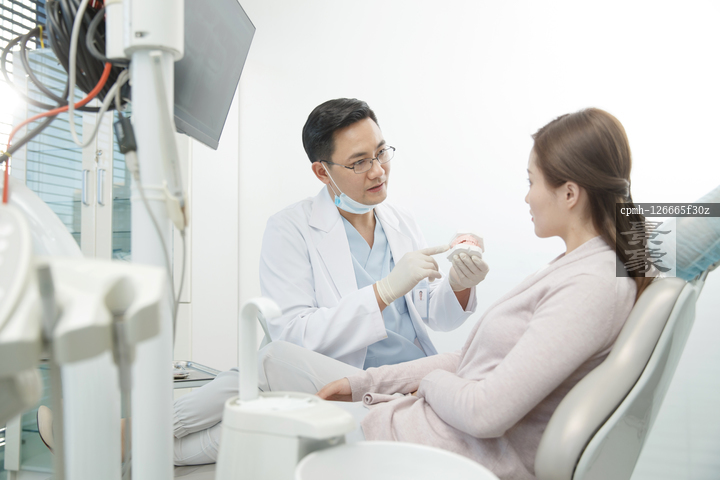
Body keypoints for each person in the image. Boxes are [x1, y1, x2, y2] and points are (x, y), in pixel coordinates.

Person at [316, 108, 654, 480]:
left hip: (440, 449)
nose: (527, 197)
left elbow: (484, 413)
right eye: (359, 161)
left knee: (289, 420)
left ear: (570, 193)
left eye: (532, 182)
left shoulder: (590, 284)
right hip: (422, 428)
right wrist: (366, 384)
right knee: (287, 375)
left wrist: (425, 384)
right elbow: (470, 359)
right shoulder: (580, 267)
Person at [171, 98, 488, 465]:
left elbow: (433, 313)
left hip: (405, 379)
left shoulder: (401, 222)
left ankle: (148, 431)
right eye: (359, 161)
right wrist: (383, 292)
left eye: (381, 152)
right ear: (322, 172)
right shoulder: (290, 228)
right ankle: (153, 434)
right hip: (344, 375)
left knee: (265, 375)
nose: (378, 171)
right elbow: (293, 334)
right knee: (269, 370)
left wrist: (459, 283)